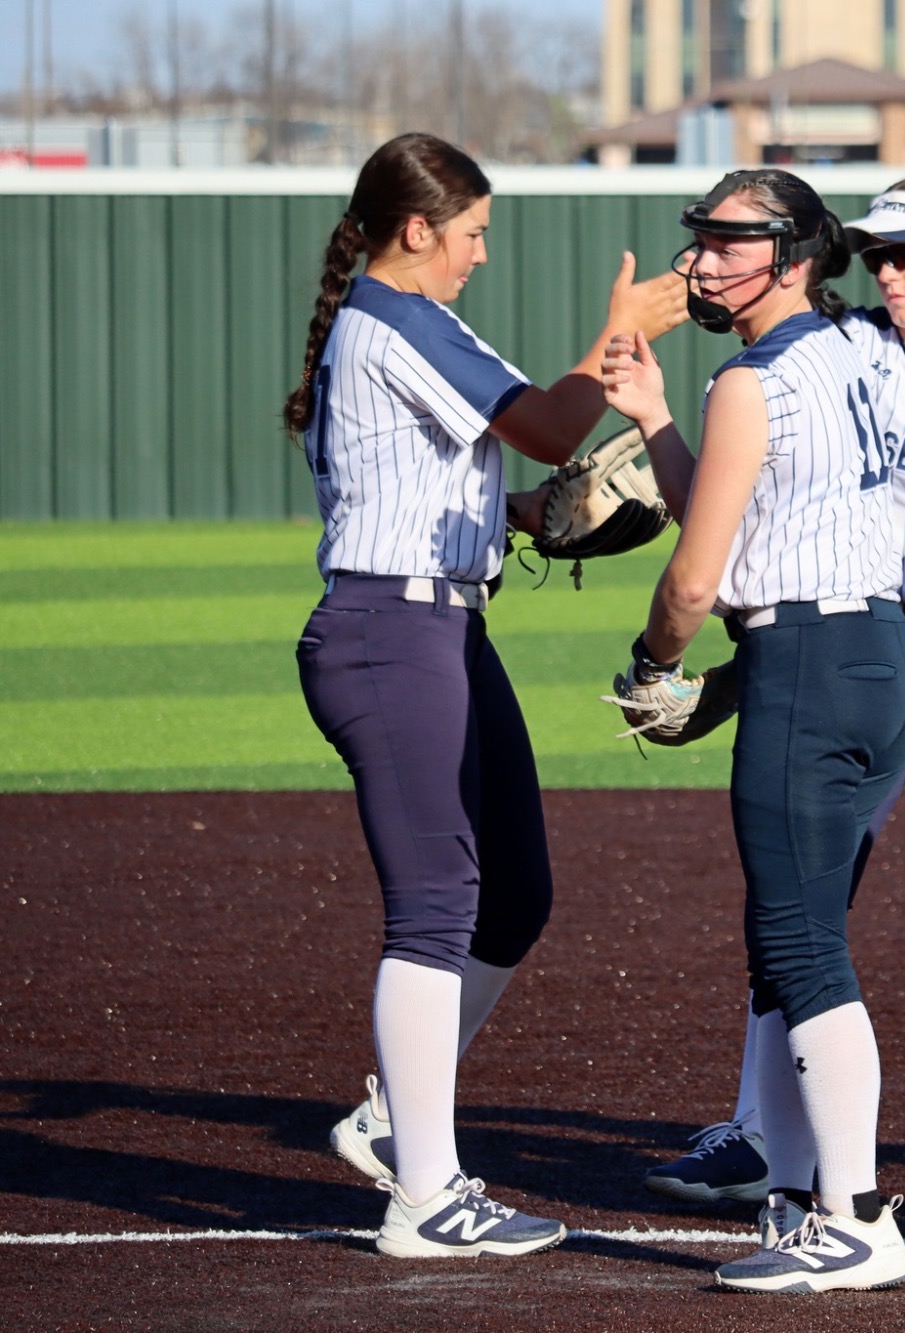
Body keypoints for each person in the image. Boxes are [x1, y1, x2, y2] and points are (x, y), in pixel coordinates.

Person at [639, 176, 905, 1228]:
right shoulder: (848, 349)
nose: (889, 271)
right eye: (876, 254)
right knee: (799, 908)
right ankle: (765, 1141)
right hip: (863, 637)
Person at [292, 132, 681, 1257]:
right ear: (416, 229)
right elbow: (555, 424)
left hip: (441, 623)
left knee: (514, 890)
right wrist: (626, 334)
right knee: (434, 907)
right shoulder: (395, 315)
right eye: (470, 234)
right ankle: (426, 1194)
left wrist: (519, 515)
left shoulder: (411, 318)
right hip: (387, 631)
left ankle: (390, 1122)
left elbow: (455, 467)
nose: (477, 255)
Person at [599, 168, 905, 1294]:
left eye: (726, 242)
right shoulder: (857, 351)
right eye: (700, 240)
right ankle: (798, 1197)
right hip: (876, 656)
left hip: (806, 667)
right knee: (790, 941)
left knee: (799, 946)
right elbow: (744, 512)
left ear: (789, 255)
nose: (698, 261)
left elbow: (698, 575)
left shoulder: (753, 377)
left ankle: (856, 1219)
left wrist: (654, 661)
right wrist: (650, 418)